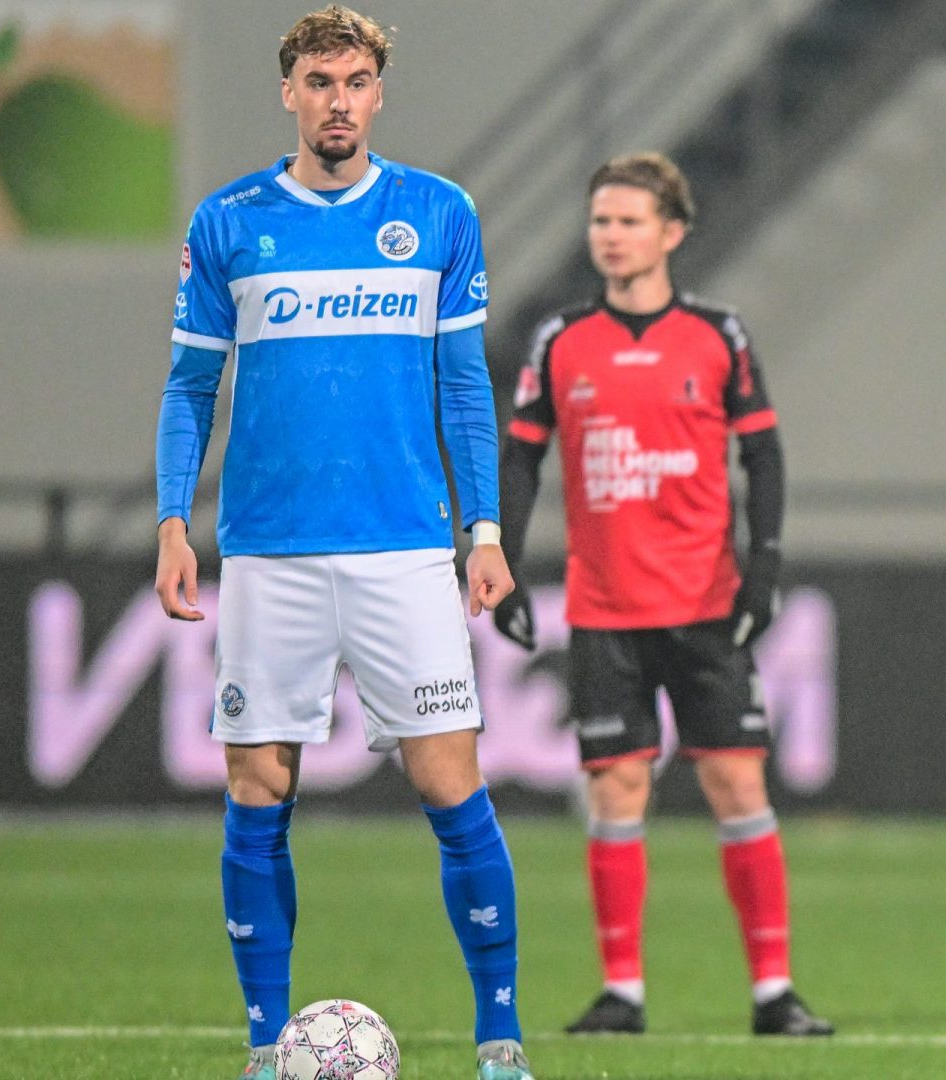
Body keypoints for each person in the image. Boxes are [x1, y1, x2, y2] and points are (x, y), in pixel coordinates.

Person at [152, 8, 534, 1079]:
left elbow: (465, 382)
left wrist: (485, 528)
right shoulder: (230, 222)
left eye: (356, 81)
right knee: (257, 788)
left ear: (378, 94)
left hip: (403, 548)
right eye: (318, 80)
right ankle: (267, 1045)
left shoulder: (437, 214)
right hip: (268, 550)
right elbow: (190, 387)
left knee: (453, 788)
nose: (337, 100)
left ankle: (499, 1038)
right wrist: (173, 517)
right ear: (289, 92)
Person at [494, 151, 833, 1038]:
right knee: (615, 795)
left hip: (706, 604)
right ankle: (623, 992)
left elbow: (762, 452)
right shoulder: (562, 340)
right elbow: (523, 452)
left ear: (672, 233)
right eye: (601, 220)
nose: (609, 235)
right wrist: (499, 558)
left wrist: (764, 563)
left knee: (735, 784)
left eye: (629, 220)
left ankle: (773, 991)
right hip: (604, 609)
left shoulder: (718, 335)